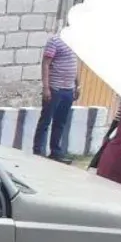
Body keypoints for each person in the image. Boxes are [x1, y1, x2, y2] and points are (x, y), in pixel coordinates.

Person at [32, 32, 79, 162]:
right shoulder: (55, 41)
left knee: (60, 122)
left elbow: (74, 66)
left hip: (68, 89)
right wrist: (46, 87)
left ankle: (55, 152)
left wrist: (77, 85)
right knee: (46, 121)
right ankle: (38, 151)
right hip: (55, 88)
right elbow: (45, 64)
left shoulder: (75, 42)